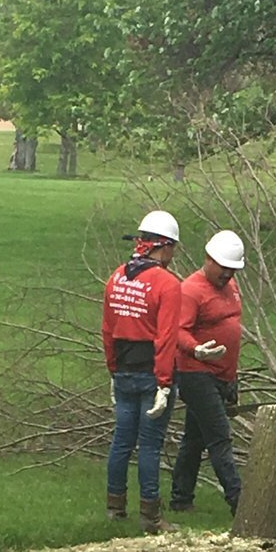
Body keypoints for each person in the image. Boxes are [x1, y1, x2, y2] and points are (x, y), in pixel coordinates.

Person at [102, 209, 181, 534]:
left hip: (122, 369)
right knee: (149, 444)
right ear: (163, 247)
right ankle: (151, 517)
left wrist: (112, 370)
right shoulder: (167, 284)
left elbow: (108, 329)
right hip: (152, 372)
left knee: (122, 440)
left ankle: (114, 507)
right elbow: (166, 339)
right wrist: (164, 383)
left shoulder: (116, 278)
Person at [171, 230, 245, 516]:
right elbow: (178, 329)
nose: (228, 274)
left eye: (233, 269)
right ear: (209, 259)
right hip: (196, 373)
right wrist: (196, 349)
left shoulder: (231, 286)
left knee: (194, 438)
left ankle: (181, 498)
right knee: (219, 437)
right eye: (224, 267)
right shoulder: (191, 289)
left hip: (222, 375)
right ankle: (239, 502)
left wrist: (231, 380)